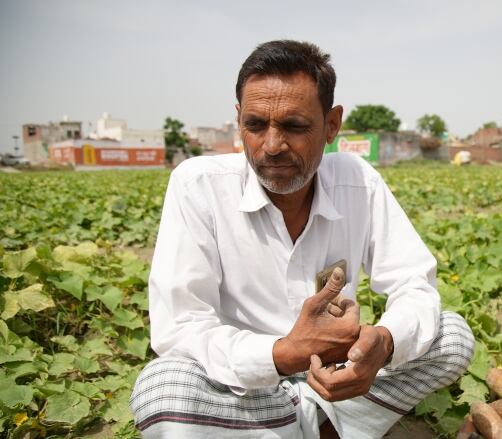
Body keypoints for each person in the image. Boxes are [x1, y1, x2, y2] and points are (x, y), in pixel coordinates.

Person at [130, 40, 475, 439]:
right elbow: (181, 326)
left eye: (294, 127)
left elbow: (412, 283)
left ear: (331, 125)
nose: (272, 146)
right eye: (255, 125)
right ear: (239, 118)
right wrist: (284, 353)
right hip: (247, 388)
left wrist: (382, 342)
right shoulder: (199, 186)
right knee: (162, 391)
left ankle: (311, 425)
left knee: (452, 336)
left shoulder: (357, 181)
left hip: (340, 377)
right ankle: (327, 427)